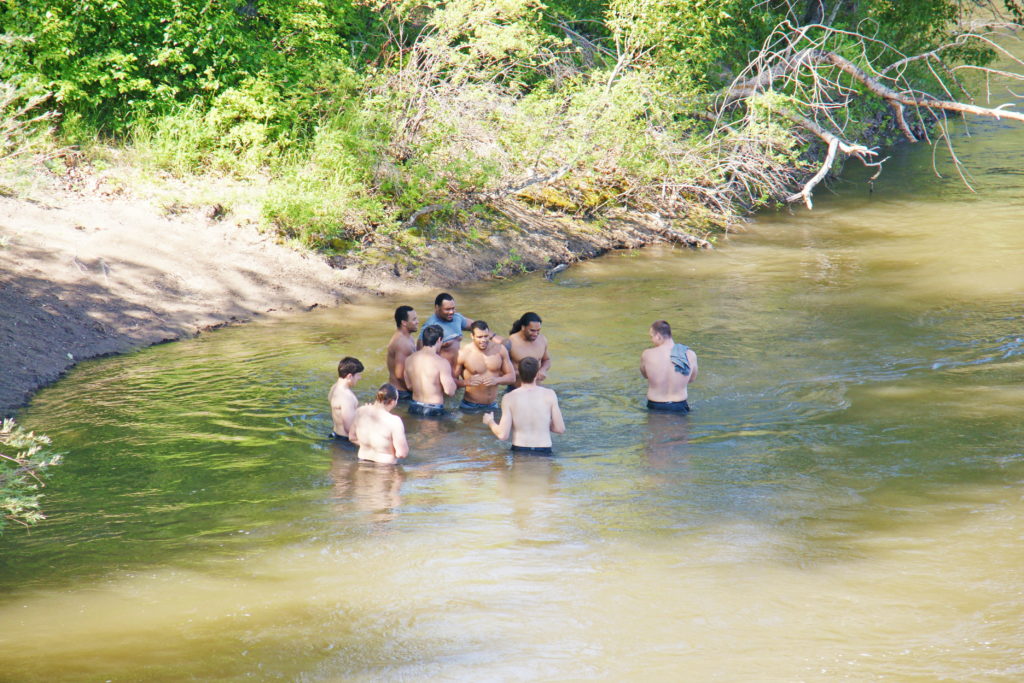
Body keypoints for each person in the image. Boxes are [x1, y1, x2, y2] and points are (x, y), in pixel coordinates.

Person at [483, 356, 565, 454]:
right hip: (544, 449)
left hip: (519, 449)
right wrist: (544, 423)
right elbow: (560, 429)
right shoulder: (550, 394)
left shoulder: (509, 397)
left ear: (519, 373)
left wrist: (490, 421)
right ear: (537, 373)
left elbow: (503, 435)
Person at [454, 320, 515, 412]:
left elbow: (512, 377)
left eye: (486, 336)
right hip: (470, 406)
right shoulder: (463, 354)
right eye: (479, 337)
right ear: (472, 336)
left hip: (493, 405)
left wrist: (497, 380)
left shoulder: (500, 350)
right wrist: (466, 382)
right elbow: (451, 382)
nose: (483, 340)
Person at [640, 320, 699, 413]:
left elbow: (645, 375)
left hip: (655, 405)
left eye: (651, 337)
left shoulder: (647, 354)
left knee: (654, 428)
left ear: (658, 336)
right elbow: (691, 379)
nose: (651, 340)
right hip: (680, 405)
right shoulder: (690, 354)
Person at [348, 383, 409, 465]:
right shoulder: (394, 421)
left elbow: (352, 437)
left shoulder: (360, 411)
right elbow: (401, 453)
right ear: (392, 402)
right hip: (385, 468)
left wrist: (367, 446)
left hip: (362, 463)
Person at [405, 324, 457, 416]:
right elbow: (449, 391)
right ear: (439, 340)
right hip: (433, 409)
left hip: (414, 406)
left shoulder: (409, 359)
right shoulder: (441, 362)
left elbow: (409, 386)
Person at [419, 292, 474, 374]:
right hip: (444, 374)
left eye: (453, 308)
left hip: (458, 372)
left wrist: (492, 336)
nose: (451, 312)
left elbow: (476, 326)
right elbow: (421, 355)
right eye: (447, 309)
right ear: (437, 308)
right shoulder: (430, 327)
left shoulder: (457, 318)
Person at [505, 312, 551, 387]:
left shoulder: (542, 340)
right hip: (516, 389)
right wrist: (523, 373)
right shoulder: (510, 343)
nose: (536, 334)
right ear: (523, 327)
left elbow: (547, 360)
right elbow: (500, 369)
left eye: (538, 330)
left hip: (537, 387)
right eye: (532, 330)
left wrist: (543, 370)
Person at [386, 305, 419, 400]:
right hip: (401, 393)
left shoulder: (408, 337)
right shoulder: (402, 343)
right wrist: (415, 389)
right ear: (404, 322)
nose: (417, 322)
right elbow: (399, 374)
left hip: (402, 390)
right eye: (414, 319)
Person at [328, 356, 364, 441]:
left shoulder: (334, 388)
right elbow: (349, 428)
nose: (360, 378)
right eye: (358, 375)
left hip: (336, 435)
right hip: (346, 441)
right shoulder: (347, 397)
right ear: (350, 376)